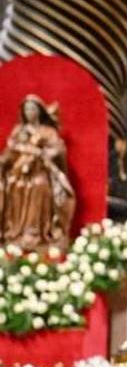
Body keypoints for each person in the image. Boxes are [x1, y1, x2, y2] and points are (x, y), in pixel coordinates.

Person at [0, 95, 76, 252]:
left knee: (39, 186)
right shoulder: (18, 131)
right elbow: (9, 153)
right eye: (26, 109)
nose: (29, 112)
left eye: (33, 109)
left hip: (41, 173)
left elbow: (58, 150)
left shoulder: (48, 131)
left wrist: (43, 154)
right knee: (15, 185)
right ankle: (15, 232)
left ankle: (35, 233)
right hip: (18, 174)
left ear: (40, 111)